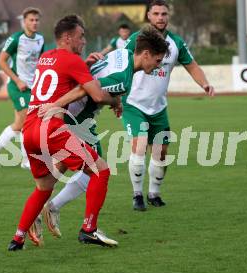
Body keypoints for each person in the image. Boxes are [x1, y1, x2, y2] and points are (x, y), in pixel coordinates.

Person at [29, 26, 169, 239]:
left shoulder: (122, 53)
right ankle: (64, 216)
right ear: (146, 54)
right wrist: (56, 105)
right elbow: (88, 88)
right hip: (76, 120)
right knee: (97, 170)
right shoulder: (124, 78)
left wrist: (115, 100)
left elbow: (97, 77)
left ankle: (40, 212)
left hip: (78, 119)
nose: (159, 66)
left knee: (62, 169)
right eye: (158, 60)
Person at [7, 15, 122, 251]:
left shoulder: (46, 57)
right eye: (81, 36)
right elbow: (97, 95)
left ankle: (17, 238)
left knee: (43, 187)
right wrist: (116, 101)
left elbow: (62, 77)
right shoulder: (72, 61)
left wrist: (85, 65)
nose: (84, 41)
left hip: (30, 129)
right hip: (52, 128)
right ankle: (89, 230)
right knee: (101, 170)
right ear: (67, 37)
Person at [124, 0, 215, 211]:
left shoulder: (176, 43)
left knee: (161, 153)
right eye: (156, 13)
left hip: (158, 107)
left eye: (164, 14)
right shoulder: (137, 40)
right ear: (148, 16)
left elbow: (192, 66)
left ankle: (154, 193)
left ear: (168, 16)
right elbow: (121, 60)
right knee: (139, 146)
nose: (160, 18)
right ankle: (137, 195)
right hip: (133, 104)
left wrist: (204, 83)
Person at [0, 7, 45, 170]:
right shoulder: (16, 39)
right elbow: (2, 62)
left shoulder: (40, 39)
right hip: (17, 86)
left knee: (22, 124)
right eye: (31, 20)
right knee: (24, 122)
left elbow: (40, 63)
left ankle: (23, 159)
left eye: (36, 20)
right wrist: (18, 80)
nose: (34, 23)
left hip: (31, 87)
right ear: (24, 22)